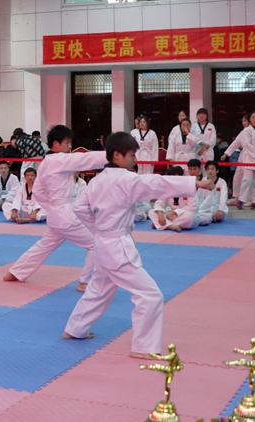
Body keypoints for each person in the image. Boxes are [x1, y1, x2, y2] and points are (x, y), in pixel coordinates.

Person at [64, 131, 213, 358]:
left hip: (102, 244)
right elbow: (158, 183)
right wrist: (196, 182)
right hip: (117, 247)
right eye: (132, 155)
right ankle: (143, 347)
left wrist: (99, 228)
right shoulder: (126, 179)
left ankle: (74, 329)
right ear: (117, 156)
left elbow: (79, 208)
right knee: (150, 295)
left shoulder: (96, 181)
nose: (135, 160)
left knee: (99, 289)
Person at [3, 125, 107, 292]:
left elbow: (37, 190)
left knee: (44, 245)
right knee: (96, 244)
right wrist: (115, 153)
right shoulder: (60, 159)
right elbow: (87, 159)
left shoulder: (45, 163)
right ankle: (85, 282)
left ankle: (15, 272)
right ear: (56, 144)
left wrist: (51, 206)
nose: (70, 146)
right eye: (67, 143)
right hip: (65, 215)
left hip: (56, 214)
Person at [222, 111, 255, 210]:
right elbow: (243, 144)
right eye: (253, 117)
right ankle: (241, 200)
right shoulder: (246, 131)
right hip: (249, 156)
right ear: (250, 119)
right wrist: (226, 153)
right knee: (246, 180)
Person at [149, 164, 199, 232]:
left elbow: (192, 207)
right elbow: (158, 203)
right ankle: (170, 226)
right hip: (171, 217)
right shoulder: (167, 189)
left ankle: (162, 225)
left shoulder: (189, 188)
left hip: (185, 215)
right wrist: (160, 214)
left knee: (189, 217)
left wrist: (174, 212)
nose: (176, 181)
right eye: (174, 179)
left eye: (178, 178)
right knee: (151, 212)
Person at [197, 160, 229, 225]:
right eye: (208, 169)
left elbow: (223, 197)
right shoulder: (203, 180)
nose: (210, 171)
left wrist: (220, 209)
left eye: (212, 169)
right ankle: (210, 217)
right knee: (200, 215)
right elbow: (199, 196)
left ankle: (210, 217)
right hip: (205, 207)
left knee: (219, 216)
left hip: (217, 207)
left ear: (217, 170)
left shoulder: (222, 182)